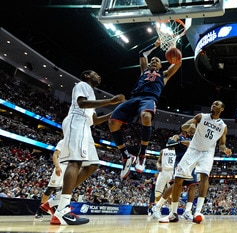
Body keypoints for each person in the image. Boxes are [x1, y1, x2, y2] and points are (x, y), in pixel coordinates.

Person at [50, 70, 125, 225]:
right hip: (76, 122)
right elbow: (82, 103)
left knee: (92, 164)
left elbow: (95, 121)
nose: (99, 76)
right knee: (75, 162)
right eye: (95, 74)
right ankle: (62, 211)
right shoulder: (82, 85)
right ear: (86, 75)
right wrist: (111, 101)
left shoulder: (91, 93)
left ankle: (58, 198)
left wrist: (115, 113)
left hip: (86, 126)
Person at [108, 38, 182, 179]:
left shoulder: (164, 75)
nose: (154, 61)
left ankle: (142, 155)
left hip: (149, 99)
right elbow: (142, 53)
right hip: (134, 98)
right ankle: (126, 156)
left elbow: (178, 62)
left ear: (161, 65)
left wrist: (173, 46)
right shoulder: (144, 71)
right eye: (152, 60)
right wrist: (155, 44)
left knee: (146, 117)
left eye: (157, 61)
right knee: (112, 122)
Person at [159, 100, 232, 223]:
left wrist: (225, 150)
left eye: (217, 104)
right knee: (178, 179)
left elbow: (222, 144)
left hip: (207, 153)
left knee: (204, 177)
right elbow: (184, 127)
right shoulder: (201, 116)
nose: (214, 105)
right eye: (213, 103)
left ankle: (197, 211)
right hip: (193, 149)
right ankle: (173, 213)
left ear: (222, 109)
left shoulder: (223, 127)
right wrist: (191, 126)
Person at [152, 130, 198, 220]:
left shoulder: (194, 138)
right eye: (190, 126)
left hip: (191, 164)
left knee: (193, 186)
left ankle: (187, 211)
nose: (193, 127)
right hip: (180, 163)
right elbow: (169, 145)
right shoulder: (177, 136)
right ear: (185, 128)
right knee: (175, 186)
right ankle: (158, 206)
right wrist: (179, 141)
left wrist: (191, 144)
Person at [34, 139, 67, 220]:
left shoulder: (76, 143)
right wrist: (57, 166)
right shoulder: (63, 141)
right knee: (50, 189)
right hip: (61, 166)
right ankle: (39, 211)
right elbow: (55, 155)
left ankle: (58, 212)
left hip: (70, 168)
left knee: (64, 191)